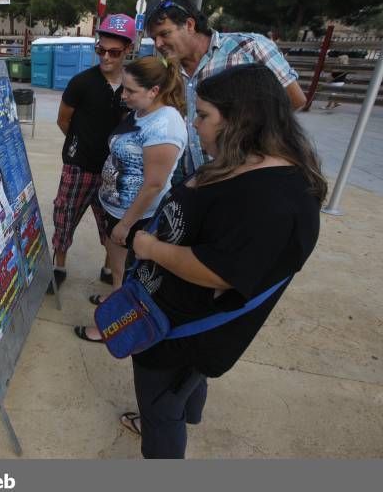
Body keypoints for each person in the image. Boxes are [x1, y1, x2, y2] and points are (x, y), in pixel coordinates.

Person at [116, 64, 326, 458]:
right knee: (185, 388)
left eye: (204, 115)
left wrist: (149, 248)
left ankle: (166, 431)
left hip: (182, 334)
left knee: (160, 408)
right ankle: (185, 412)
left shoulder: (275, 201)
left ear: (242, 119)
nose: (194, 125)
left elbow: (219, 270)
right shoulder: (243, 160)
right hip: (178, 318)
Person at [74, 56, 187, 343]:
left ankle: (109, 328)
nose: (123, 96)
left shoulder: (165, 126)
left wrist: (125, 224)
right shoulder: (142, 112)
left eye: (130, 91)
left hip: (136, 216)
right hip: (114, 207)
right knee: (119, 271)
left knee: (130, 276)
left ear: (154, 90)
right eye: (123, 89)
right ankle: (115, 299)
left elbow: (154, 184)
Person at [146, 0, 306, 179]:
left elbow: (295, 99)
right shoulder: (169, 71)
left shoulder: (248, 48)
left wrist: (246, 142)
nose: (158, 44)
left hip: (242, 177)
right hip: (192, 179)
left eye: (164, 34)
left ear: (189, 25)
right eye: (154, 38)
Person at [48, 13, 135, 293]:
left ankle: (109, 268)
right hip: (79, 166)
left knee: (112, 222)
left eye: (114, 52)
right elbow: (64, 120)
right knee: (65, 214)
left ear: (128, 50)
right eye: (101, 50)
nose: (106, 57)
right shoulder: (81, 82)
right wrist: (79, 144)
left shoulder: (133, 86)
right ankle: (59, 266)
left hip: (115, 169)